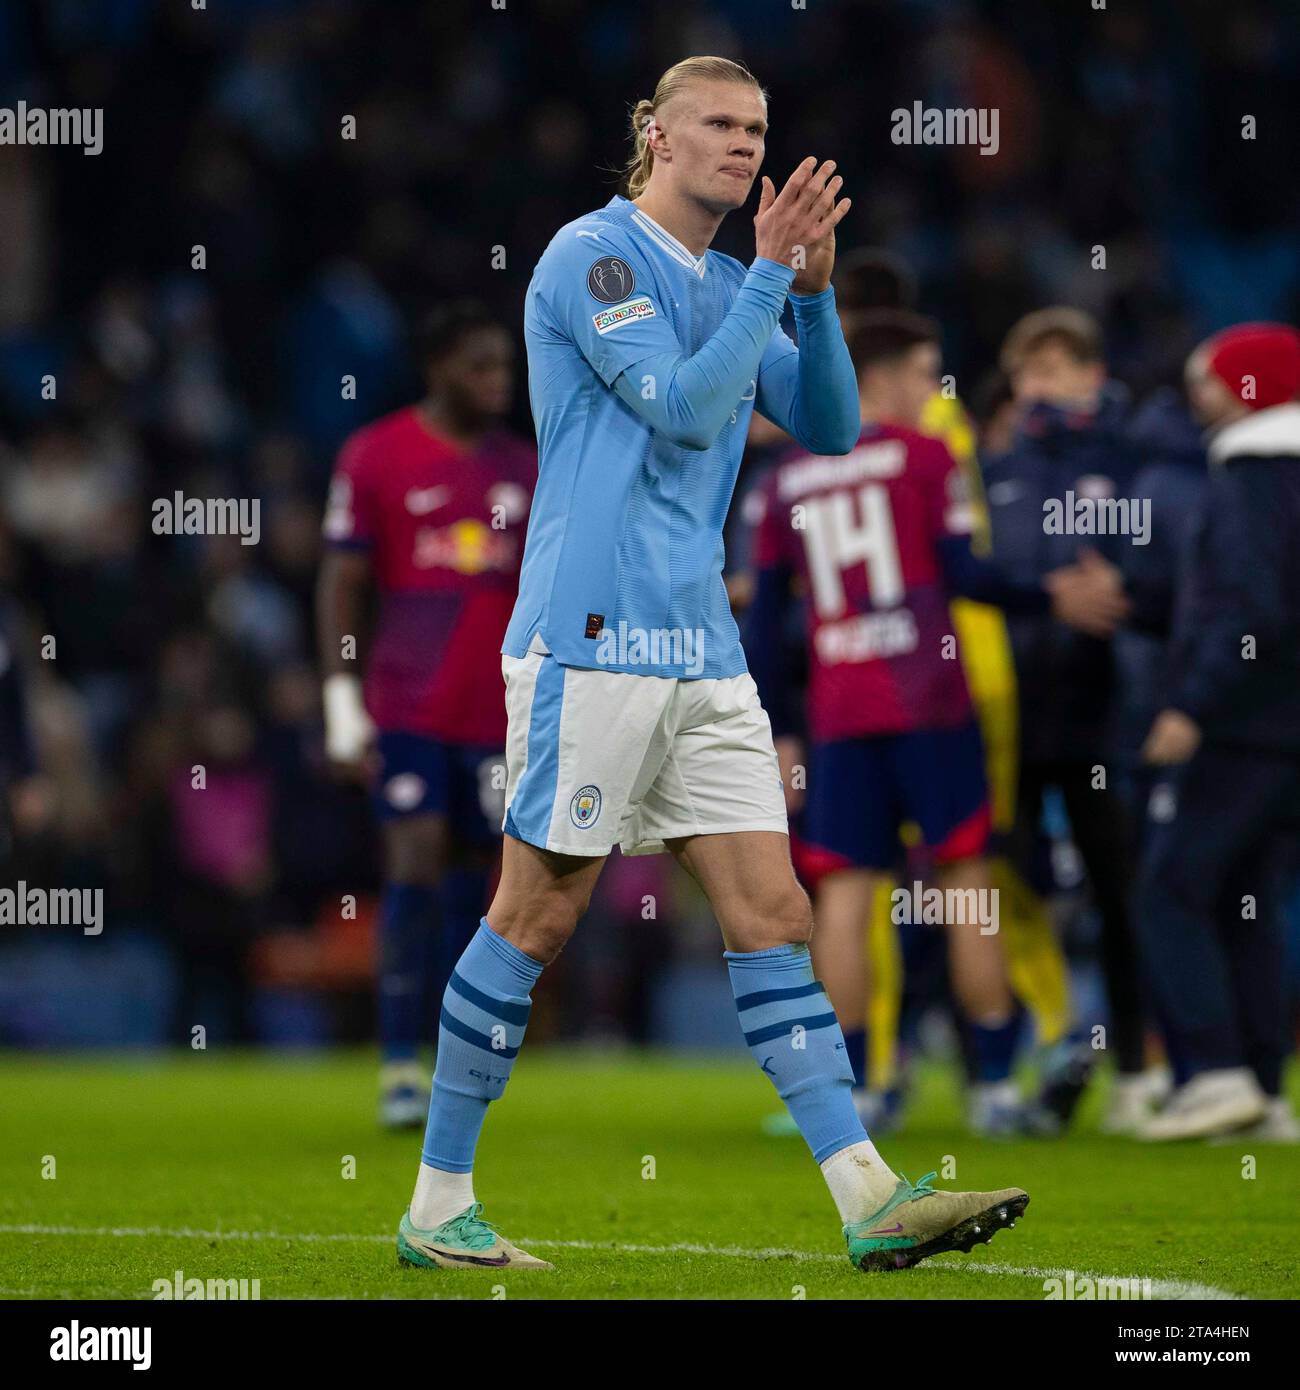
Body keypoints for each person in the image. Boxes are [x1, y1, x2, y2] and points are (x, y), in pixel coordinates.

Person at [395, 55, 1028, 1275]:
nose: (746, 147)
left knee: (772, 911)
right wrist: (768, 288)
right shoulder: (597, 257)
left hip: (701, 646)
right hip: (594, 641)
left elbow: (837, 428)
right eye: (722, 127)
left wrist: (810, 299)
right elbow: (686, 408)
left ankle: (868, 1196)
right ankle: (436, 1199)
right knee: (534, 914)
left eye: (759, 129)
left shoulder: (741, 277)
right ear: (658, 137)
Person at [745, 309, 1125, 1137]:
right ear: (881, 379)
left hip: (841, 714)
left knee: (844, 896)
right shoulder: (926, 459)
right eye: (922, 373)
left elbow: (766, 617)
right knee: (965, 886)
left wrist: (778, 728)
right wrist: (1050, 592)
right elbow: (967, 575)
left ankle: (856, 1095)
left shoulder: (785, 481)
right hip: (931, 704)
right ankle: (991, 1088)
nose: (932, 390)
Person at [318, 302, 535, 1127]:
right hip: (407, 705)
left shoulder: (526, 466)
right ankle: (397, 1063)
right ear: (438, 366)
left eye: (504, 368)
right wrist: (341, 702)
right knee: (409, 864)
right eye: (480, 366)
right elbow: (340, 583)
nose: (497, 382)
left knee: (476, 889)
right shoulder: (376, 454)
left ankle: (453, 1060)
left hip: (497, 714)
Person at [983, 307, 1156, 1133]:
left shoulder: (1131, 466)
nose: (1045, 385)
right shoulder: (993, 473)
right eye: (1031, 371)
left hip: (1108, 716)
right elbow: (976, 577)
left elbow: (1163, 575)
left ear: (1095, 376)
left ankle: (1135, 1069)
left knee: (1124, 898)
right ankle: (1035, 1066)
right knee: (1013, 895)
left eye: (1061, 368)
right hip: (1015, 718)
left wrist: (1123, 590)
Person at [1136, 323, 1300, 1142]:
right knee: (1246, 904)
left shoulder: (1247, 481)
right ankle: (1265, 1088)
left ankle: (1213, 1072)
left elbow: (1245, 610)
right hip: (1281, 727)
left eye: (1211, 380)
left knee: (1168, 891)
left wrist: (1190, 705)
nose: (1195, 395)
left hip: (1239, 724)